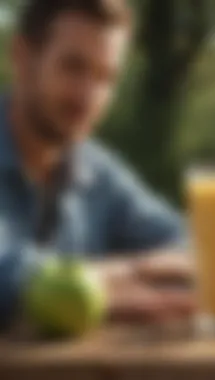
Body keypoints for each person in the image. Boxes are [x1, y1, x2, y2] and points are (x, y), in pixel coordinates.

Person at [0, 0, 194, 327]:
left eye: (106, 77)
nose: (89, 95)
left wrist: (115, 278)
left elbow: (186, 246)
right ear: (22, 57)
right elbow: (7, 271)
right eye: (73, 67)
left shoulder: (97, 169)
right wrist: (126, 274)